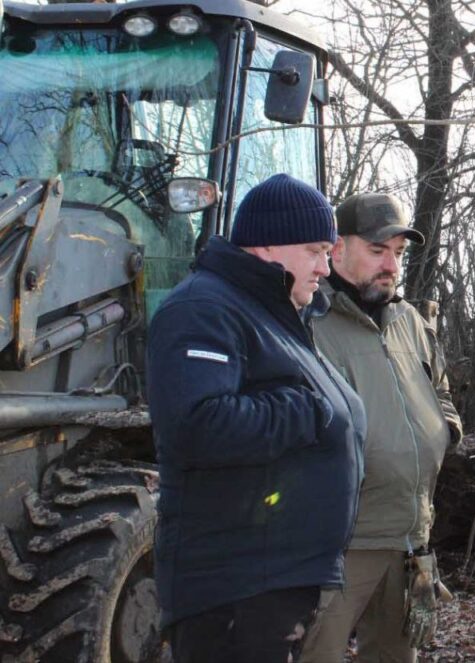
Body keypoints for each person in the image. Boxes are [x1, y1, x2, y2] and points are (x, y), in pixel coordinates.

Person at [147, 173, 367, 663]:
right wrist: (308, 408)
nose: (325, 268)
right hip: (234, 591)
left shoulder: (274, 312)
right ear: (268, 244)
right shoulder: (203, 309)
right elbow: (198, 426)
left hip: (273, 585)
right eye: (315, 250)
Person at [300, 192, 463, 663]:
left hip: (410, 534)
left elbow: (442, 391)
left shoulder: (410, 320)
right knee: (316, 653)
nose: (390, 264)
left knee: (396, 655)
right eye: (377, 251)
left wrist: (444, 430)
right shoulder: (310, 320)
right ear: (337, 248)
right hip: (341, 541)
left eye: (397, 253)